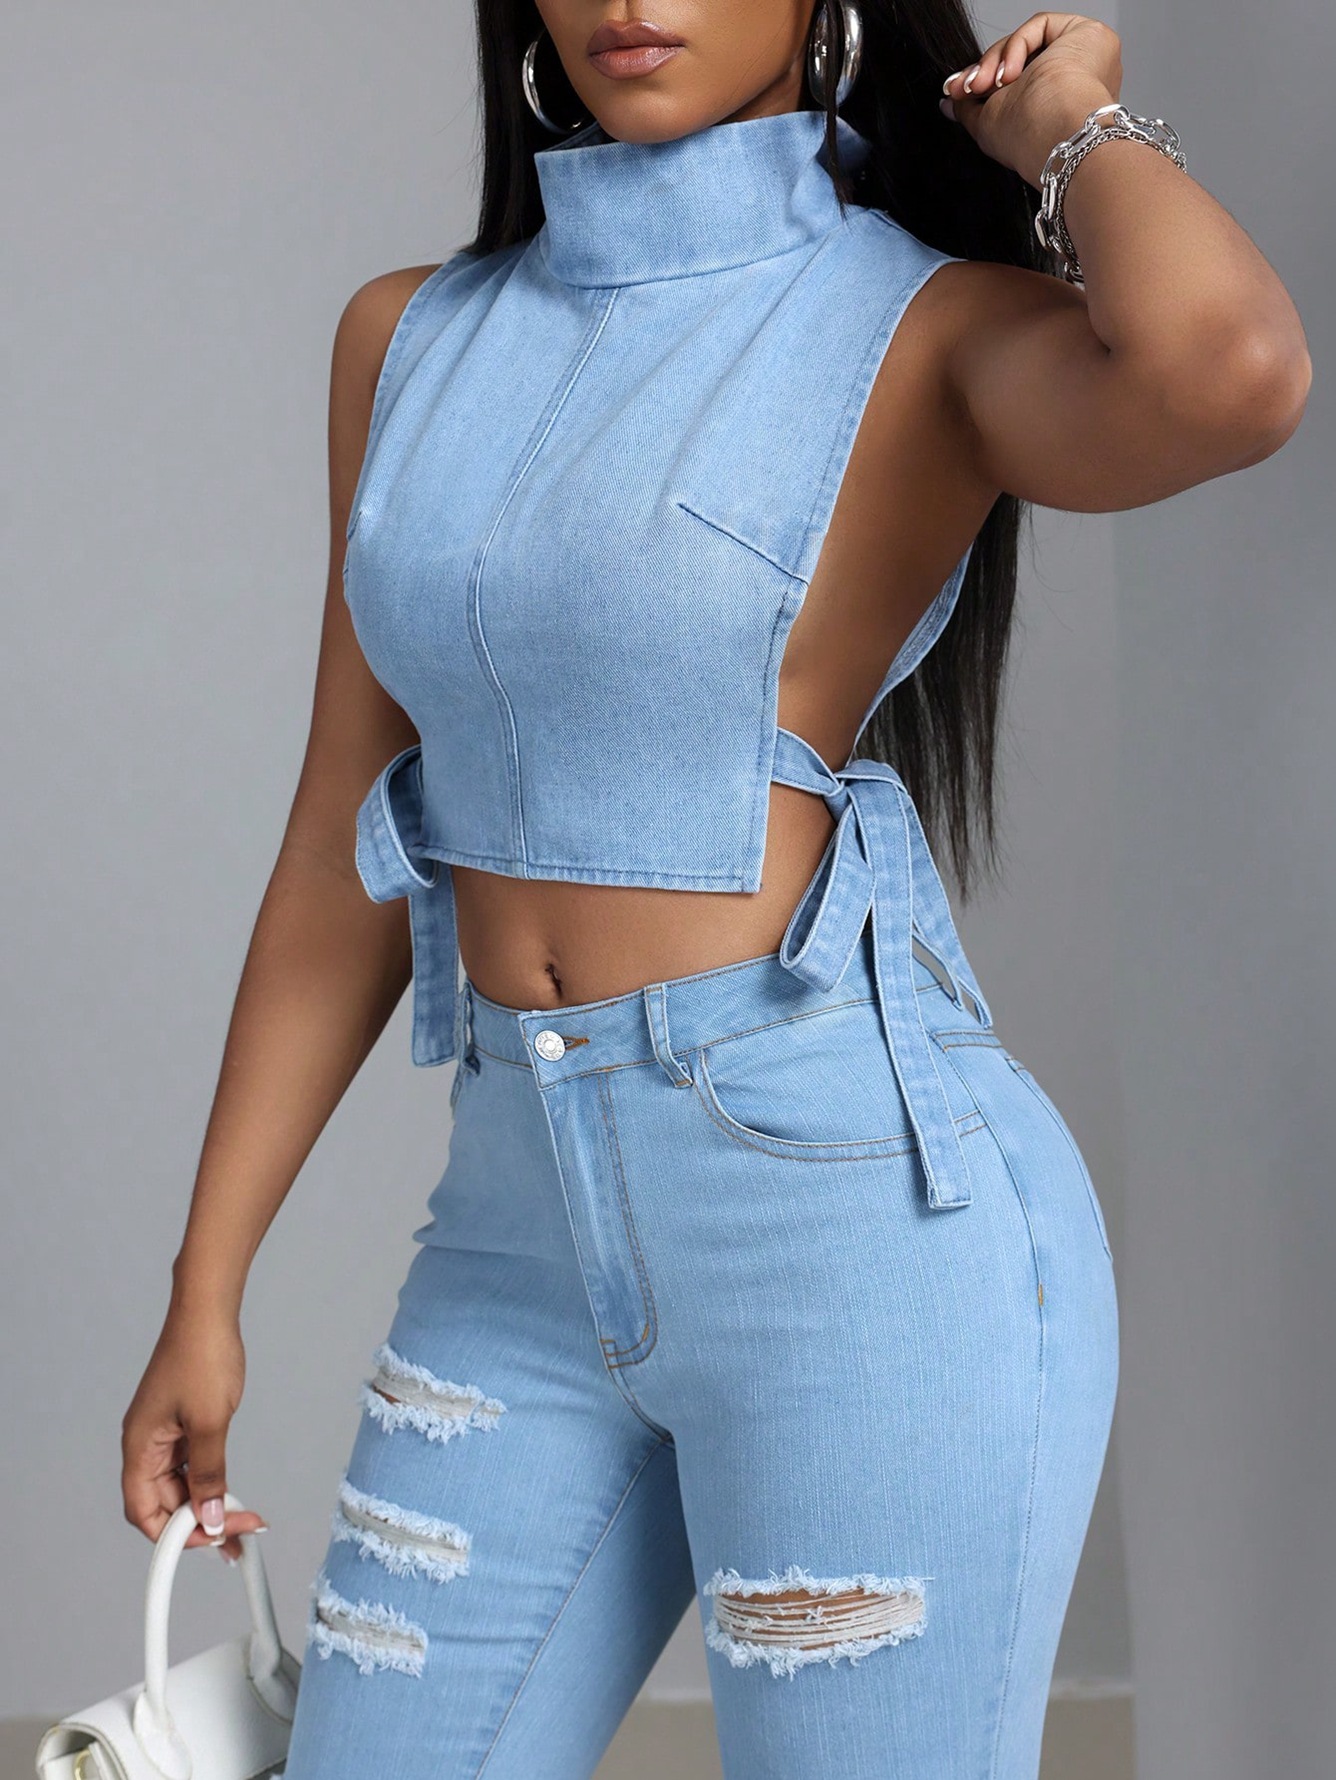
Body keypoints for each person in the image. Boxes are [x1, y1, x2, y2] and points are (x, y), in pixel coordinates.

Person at [119, 3, 1310, 1775]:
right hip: (514, 1229)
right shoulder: (408, 339)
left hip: (859, 1235)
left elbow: (1236, 372)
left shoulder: (923, 327)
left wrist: (1064, 125)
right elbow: (337, 841)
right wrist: (205, 1285)